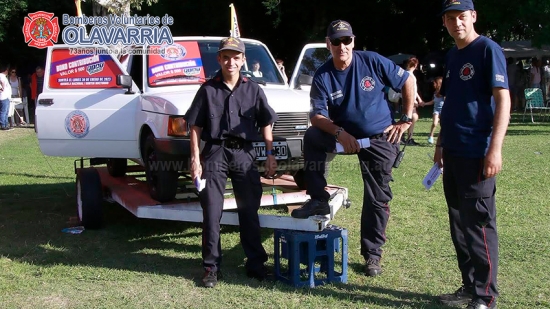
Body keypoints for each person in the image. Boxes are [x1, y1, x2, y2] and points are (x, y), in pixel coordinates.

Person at [289, 19, 416, 277]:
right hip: (343, 137)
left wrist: (406, 117)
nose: (342, 46)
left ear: (353, 41)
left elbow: (407, 80)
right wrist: (340, 133)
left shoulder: (371, 61)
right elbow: (317, 117)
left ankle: (372, 256)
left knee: (377, 198)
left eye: (346, 40)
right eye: (336, 41)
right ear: (328, 44)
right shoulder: (323, 75)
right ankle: (318, 199)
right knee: (313, 136)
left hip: (379, 138)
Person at [184, 37, 278, 288]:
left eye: (236, 57)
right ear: (219, 59)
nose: (231, 62)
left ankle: (256, 265)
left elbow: (266, 121)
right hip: (215, 153)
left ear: (243, 60)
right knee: (212, 211)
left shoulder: (253, 89)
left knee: (249, 210)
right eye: (226, 57)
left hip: (244, 154)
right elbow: (194, 125)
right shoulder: (207, 89)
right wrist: (195, 158)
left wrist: (270, 154)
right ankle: (211, 268)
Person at [435, 1, 510, 308]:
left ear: (473, 17)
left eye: (462, 17)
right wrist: (440, 144)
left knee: (478, 224)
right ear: (445, 22)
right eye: (451, 19)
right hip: (453, 151)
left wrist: (495, 148)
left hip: (477, 153)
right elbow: (452, 101)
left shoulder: (487, 50)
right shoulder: (453, 55)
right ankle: (469, 286)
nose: (457, 23)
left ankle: (485, 296)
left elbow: (503, 100)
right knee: (460, 224)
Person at [402, 57, 423, 145]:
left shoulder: (409, 74)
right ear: (415, 65)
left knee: (412, 117)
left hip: (411, 99)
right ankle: (404, 136)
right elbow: (408, 90)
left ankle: (406, 137)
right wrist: (413, 100)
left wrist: (419, 99)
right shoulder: (408, 75)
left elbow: (414, 89)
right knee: (412, 117)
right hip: (409, 100)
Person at [420, 76, 444, 144]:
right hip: (436, 110)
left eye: (434, 83)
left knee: (443, 125)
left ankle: (442, 138)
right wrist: (425, 104)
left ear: (439, 83)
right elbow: (433, 101)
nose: (433, 84)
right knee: (434, 123)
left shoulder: (444, 93)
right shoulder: (435, 93)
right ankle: (431, 135)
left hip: (443, 111)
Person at [0, 63, 13, 131]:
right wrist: (2, 87)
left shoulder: (3, 76)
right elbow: (1, 82)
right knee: (3, 111)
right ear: (6, 70)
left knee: (6, 111)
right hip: (3, 96)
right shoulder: (1, 76)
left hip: (7, 96)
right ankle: (3, 125)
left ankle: (6, 124)